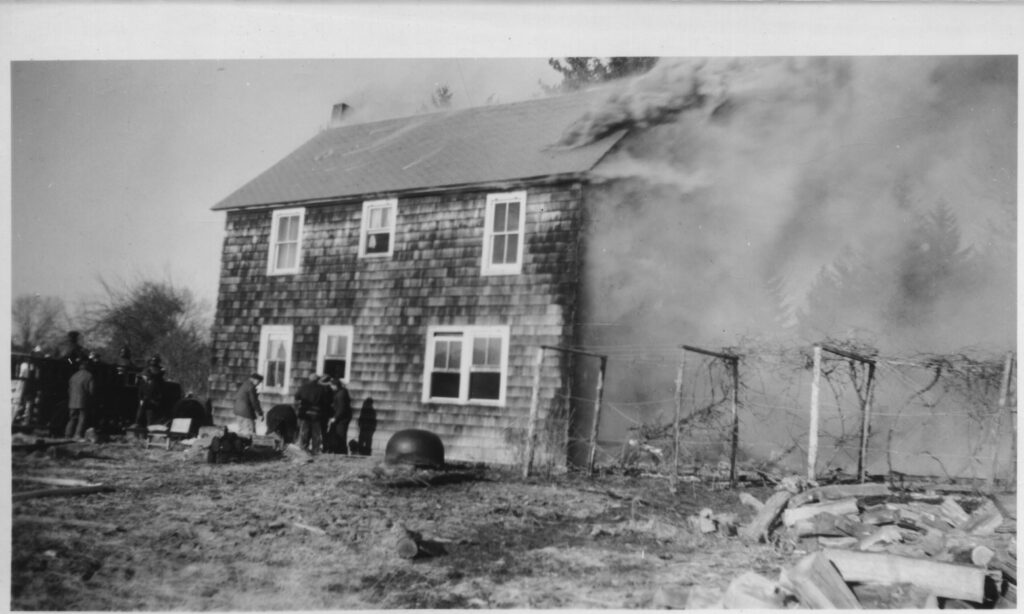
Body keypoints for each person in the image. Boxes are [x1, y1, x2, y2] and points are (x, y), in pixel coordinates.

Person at [295, 372, 326, 455]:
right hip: (316, 413)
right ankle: (315, 450)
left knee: (304, 432)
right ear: (317, 380)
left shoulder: (303, 387)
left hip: (305, 413)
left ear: (309, 379)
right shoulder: (321, 389)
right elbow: (325, 401)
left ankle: (303, 449)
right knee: (316, 433)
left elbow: (297, 397)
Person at [134, 355, 165, 430]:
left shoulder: (157, 380)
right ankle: (138, 429)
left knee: (149, 418)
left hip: (152, 401)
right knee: (139, 417)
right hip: (145, 400)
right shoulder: (144, 381)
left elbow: (159, 392)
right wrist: (141, 399)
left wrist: (155, 400)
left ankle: (147, 431)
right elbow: (141, 391)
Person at [66, 357, 94, 440]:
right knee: (82, 418)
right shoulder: (89, 376)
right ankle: (77, 434)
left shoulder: (73, 376)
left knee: (72, 418)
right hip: (83, 401)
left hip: (72, 401)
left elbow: (69, 389)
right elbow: (91, 390)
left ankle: (68, 434)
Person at [325, 378, 353, 454]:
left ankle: (341, 452)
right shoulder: (341, 392)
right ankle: (337, 450)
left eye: (331, 385)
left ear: (335, 385)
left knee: (341, 435)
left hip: (342, 419)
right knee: (337, 434)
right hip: (341, 418)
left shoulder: (341, 394)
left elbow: (342, 408)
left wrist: (335, 418)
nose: (331, 387)